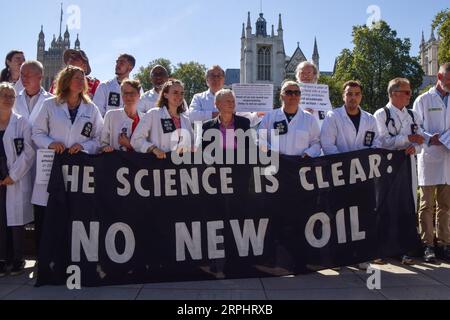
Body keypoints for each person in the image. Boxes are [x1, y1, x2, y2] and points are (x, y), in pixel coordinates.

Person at [31, 66, 103, 253]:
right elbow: (37, 133)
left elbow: (99, 138)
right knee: (47, 211)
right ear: (66, 81)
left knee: (73, 211)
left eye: (82, 78)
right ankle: (44, 257)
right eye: (76, 78)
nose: (81, 81)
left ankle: (70, 255)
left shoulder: (91, 108)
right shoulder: (49, 104)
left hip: (78, 167)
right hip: (52, 164)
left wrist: (84, 146)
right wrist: (50, 143)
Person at [374, 77, 425, 265]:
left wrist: (414, 147)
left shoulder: (413, 115)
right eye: (407, 92)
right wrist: (406, 140)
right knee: (386, 206)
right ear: (394, 94)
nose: (410, 95)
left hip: (408, 165)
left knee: (406, 206)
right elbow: (381, 142)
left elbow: (420, 141)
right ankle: (382, 249)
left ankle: (404, 250)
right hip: (387, 168)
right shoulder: (381, 114)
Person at [413, 62, 450, 263]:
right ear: (439, 77)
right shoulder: (423, 99)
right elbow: (415, 126)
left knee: (446, 205)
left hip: (448, 159)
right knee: (427, 204)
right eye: (448, 80)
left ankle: (444, 243)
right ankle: (427, 244)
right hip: (429, 156)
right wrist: (429, 137)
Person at [0, 82, 35, 277]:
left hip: (15, 175)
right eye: (3, 95)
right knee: (1, 220)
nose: (7, 98)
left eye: (11, 95)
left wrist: (13, 175)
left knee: (16, 222)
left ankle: (17, 259)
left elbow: (28, 152)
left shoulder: (21, 122)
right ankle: (1, 259)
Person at [131, 79, 193, 159]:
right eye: (175, 92)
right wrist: (153, 149)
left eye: (182, 93)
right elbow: (136, 140)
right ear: (165, 95)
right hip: (158, 166)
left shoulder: (185, 120)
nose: (179, 96)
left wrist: (187, 147)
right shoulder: (153, 114)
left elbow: (192, 143)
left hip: (180, 167)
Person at [258, 81, 321, 158]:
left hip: (300, 165)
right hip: (274, 163)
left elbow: (316, 143)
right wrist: (270, 152)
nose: (293, 95)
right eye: (289, 92)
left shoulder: (309, 118)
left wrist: (308, 154)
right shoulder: (269, 116)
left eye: (297, 92)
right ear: (281, 96)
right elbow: (260, 139)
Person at [188, 65, 261, 127]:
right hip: (206, 141)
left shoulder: (234, 97)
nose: (216, 79)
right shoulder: (198, 98)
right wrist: (221, 114)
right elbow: (192, 116)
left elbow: (249, 120)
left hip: (231, 141)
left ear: (223, 80)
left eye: (219, 76)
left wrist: (259, 114)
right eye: (212, 76)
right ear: (207, 80)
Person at [321, 80, 380, 155]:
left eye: (357, 94)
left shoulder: (370, 119)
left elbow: (376, 143)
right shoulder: (332, 116)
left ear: (361, 97)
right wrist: (346, 162)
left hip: (365, 165)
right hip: (339, 164)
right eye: (349, 94)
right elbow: (327, 145)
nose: (353, 97)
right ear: (343, 96)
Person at [101, 79, 143, 152]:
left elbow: (148, 148)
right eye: (125, 93)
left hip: (138, 162)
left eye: (132, 93)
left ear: (139, 94)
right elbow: (102, 142)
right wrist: (105, 147)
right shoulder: (111, 115)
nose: (128, 96)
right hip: (116, 161)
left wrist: (129, 145)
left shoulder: (145, 118)